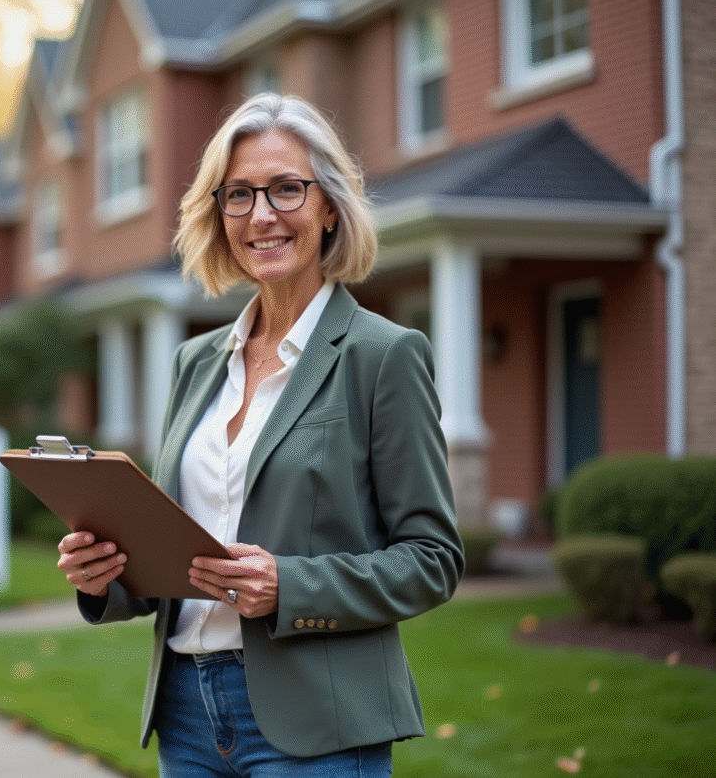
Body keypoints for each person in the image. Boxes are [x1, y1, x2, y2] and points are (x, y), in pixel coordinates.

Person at [57, 92, 464, 777]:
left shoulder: (382, 356)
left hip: (319, 725)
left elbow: (432, 559)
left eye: (285, 189)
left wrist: (290, 587)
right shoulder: (197, 360)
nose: (262, 215)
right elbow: (179, 554)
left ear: (329, 205)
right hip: (185, 716)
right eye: (239, 195)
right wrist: (106, 579)